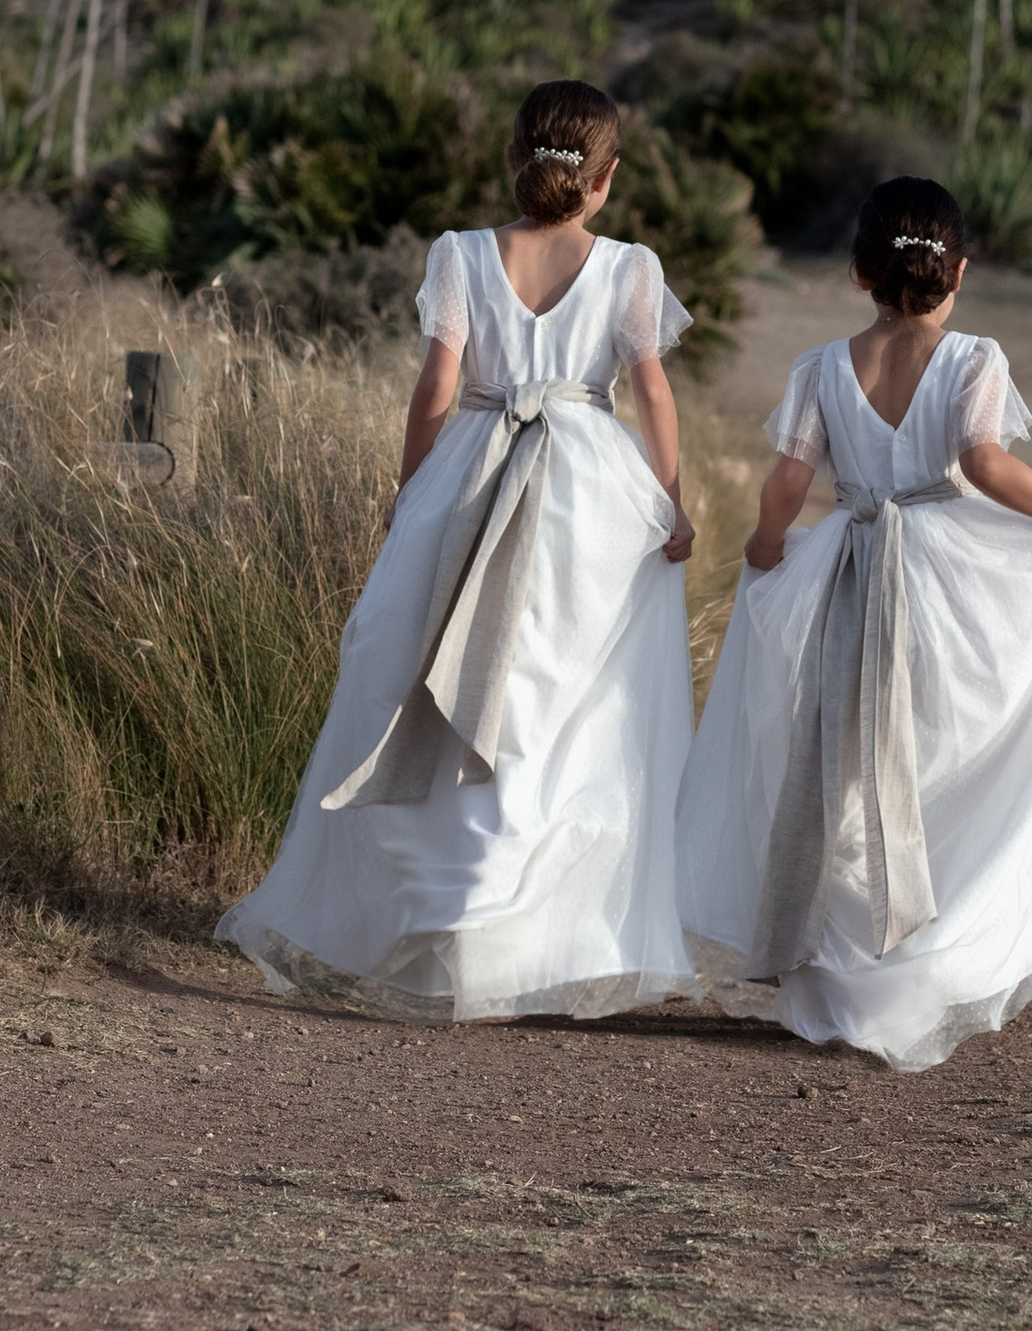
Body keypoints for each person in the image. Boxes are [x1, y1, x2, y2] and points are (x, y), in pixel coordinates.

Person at [218, 80, 701, 1020]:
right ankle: (529, 924)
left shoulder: (462, 255)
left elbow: (436, 386)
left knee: (422, 669)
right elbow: (654, 394)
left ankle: (441, 911)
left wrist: (413, 494)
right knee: (562, 695)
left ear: (513, 159)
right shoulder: (630, 268)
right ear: (606, 179)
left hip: (470, 471)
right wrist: (670, 505)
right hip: (587, 487)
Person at [679, 175, 1032, 1068]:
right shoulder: (974, 360)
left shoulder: (823, 367)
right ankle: (926, 952)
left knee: (846, 754)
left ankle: (840, 959)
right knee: (935, 750)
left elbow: (787, 483)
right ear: (960, 271)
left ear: (859, 273)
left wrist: (767, 544)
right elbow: (983, 461)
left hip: (851, 562)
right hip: (944, 577)